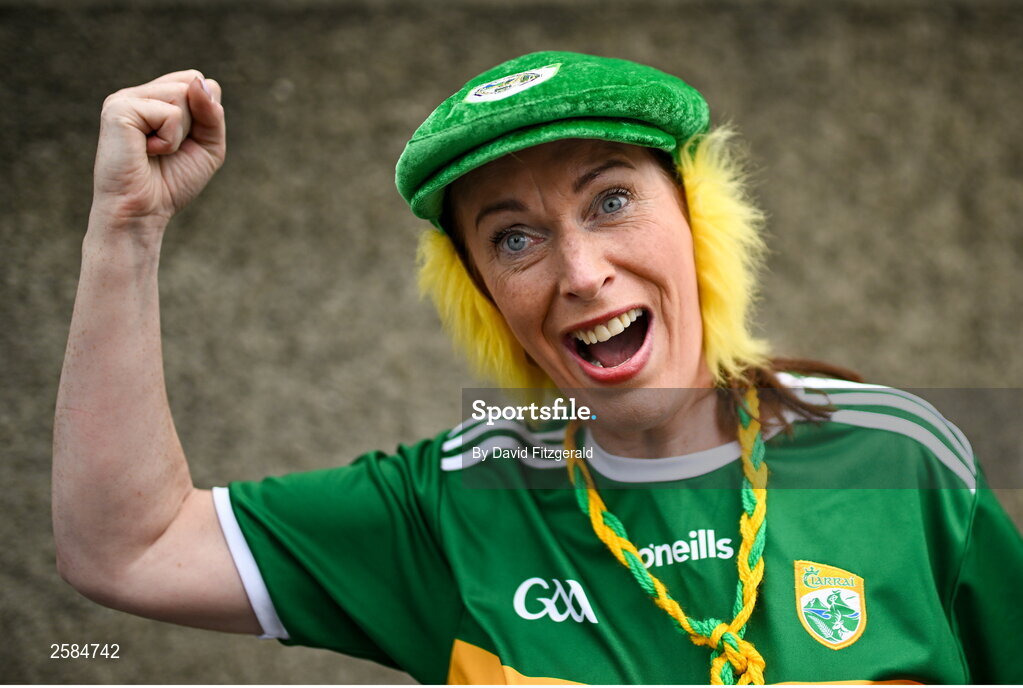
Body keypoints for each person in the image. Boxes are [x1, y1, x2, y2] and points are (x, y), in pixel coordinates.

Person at [53, 51, 1022, 685]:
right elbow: (126, 546)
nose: (581, 272)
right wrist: (127, 231)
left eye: (610, 201)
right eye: (514, 237)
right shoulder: (455, 503)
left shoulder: (900, 457)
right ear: (485, 295)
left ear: (699, 219)